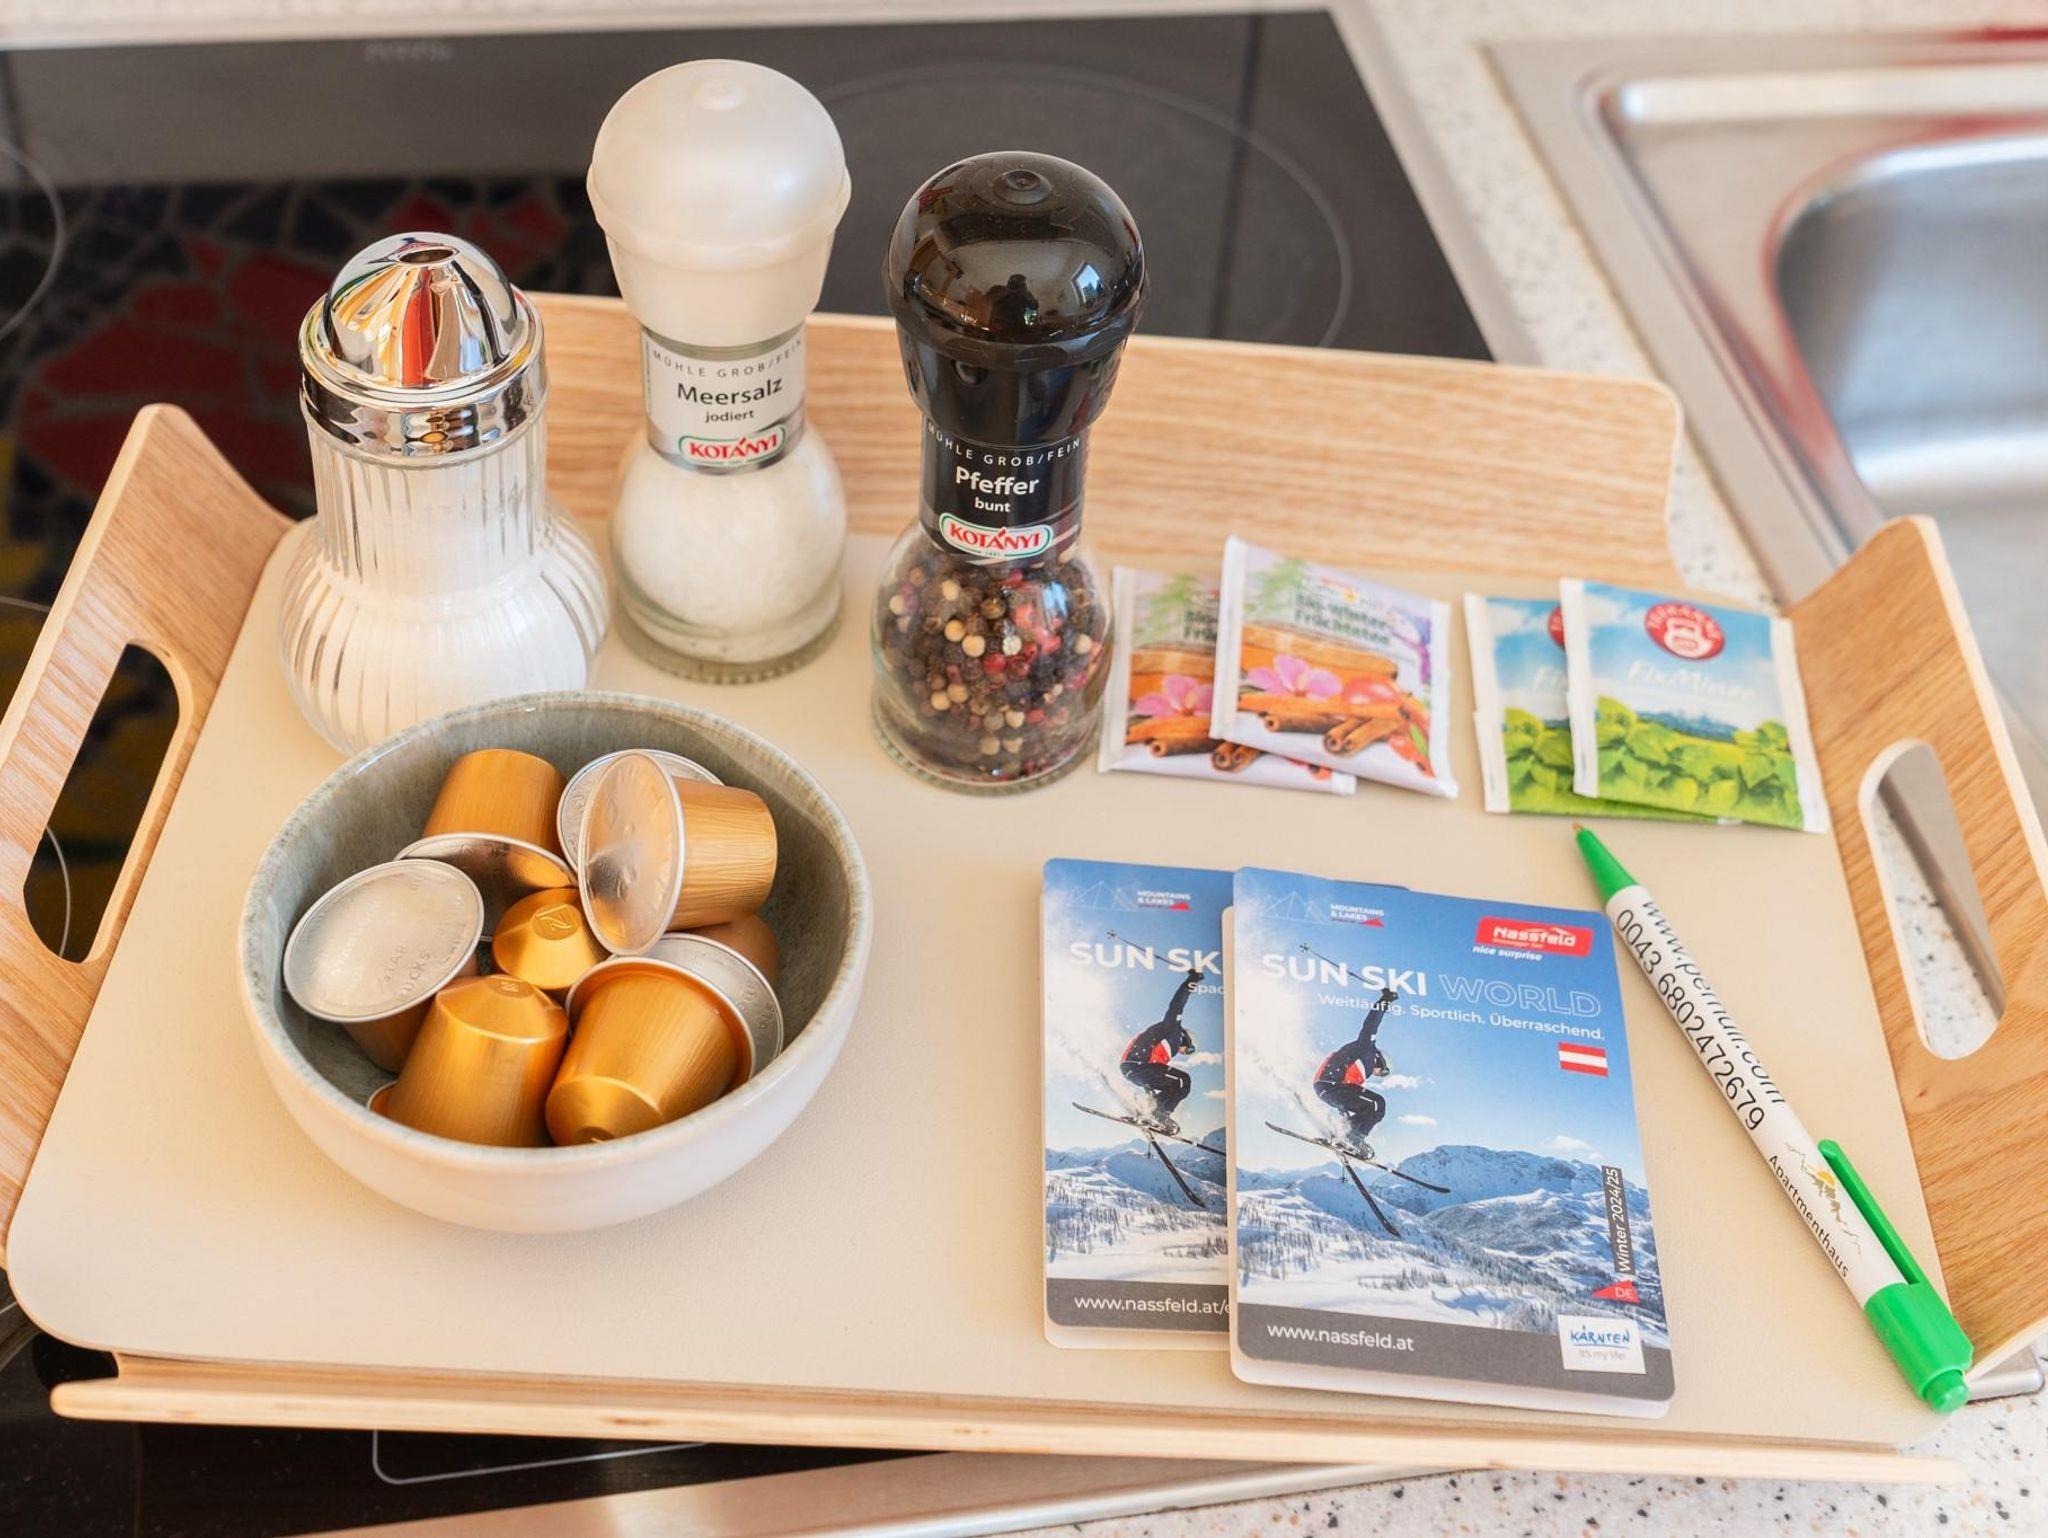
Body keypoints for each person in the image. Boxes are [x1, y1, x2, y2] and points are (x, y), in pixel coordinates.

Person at [1314, 986, 1398, 1158]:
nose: (1380, 1075)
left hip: (1327, 1088)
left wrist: (1344, 1123)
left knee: (1367, 1107)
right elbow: (1371, 1024)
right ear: (1381, 1061)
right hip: (1331, 1084)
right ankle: (1352, 1139)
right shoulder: (1367, 1048)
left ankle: (1345, 1137)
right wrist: (1385, 1000)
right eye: (1384, 1072)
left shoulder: (1359, 1073)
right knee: (1378, 1104)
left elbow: (1348, 1099)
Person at [1119, 966, 1202, 1135]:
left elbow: (1154, 1074)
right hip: (1137, 1065)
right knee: (1183, 1081)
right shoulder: (1173, 1029)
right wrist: (1192, 981)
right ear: (1187, 1039)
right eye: (1189, 1049)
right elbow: (1177, 1004)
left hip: (1134, 1069)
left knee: (1173, 1086)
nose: (1185, 1053)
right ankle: (1160, 1115)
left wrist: (1149, 1095)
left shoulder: (1166, 1049)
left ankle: (1151, 1113)